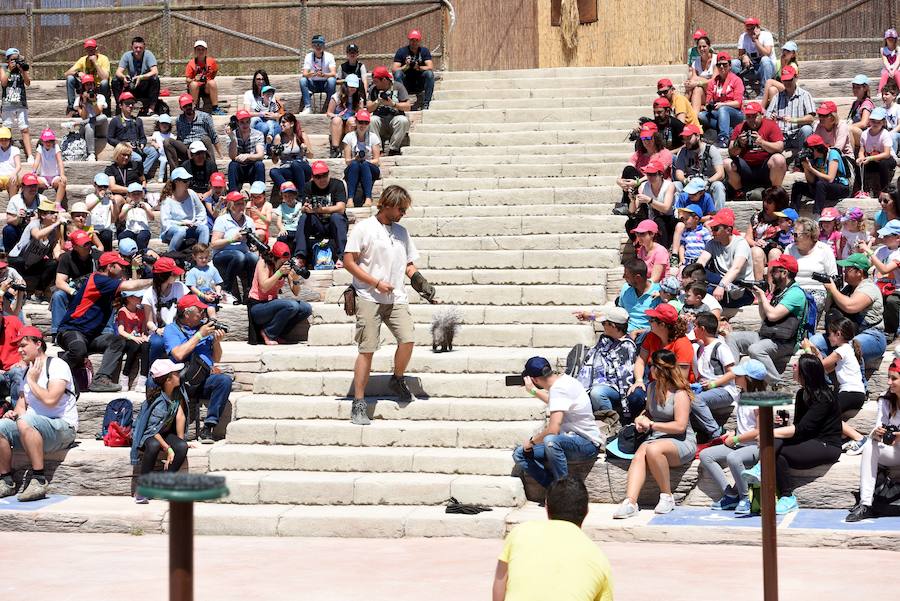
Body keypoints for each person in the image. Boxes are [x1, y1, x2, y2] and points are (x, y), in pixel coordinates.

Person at [343, 185, 435, 424]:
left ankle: (397, 378)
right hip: (367, 296)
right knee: (368, 349)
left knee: (408, 339)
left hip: (396, 297)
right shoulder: (364, 228)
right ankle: (359, 403)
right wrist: (374, 282)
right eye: (401, 209)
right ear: (387, 204)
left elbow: (408, 265)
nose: (403, 213)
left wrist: (420, 283)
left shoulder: (402, 232)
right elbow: (348, 261)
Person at [743, 354, 842, 514]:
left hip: (826, 445)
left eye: (797, 366)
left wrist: (769, 432)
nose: (793, 368)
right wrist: (780, 426)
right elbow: (799, 427)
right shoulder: (801, 394)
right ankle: (752, 501)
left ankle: (778, 497)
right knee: (764, 451)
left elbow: (801, 429)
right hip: (801, 441)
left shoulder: (824, 397)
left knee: (773, 449)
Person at [492, 477, 613, 601]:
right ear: (586, 511)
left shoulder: (520, 533)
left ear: (546, 507)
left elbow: (499, 584)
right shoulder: (599, 558)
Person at [612, 348, 697, 518]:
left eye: (652, 366)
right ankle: (630, 502)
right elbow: (649, 412)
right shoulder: (652, 388)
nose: (649, 369)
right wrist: (640, 418)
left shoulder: (680, 394)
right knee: (640, 453)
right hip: (657, 438)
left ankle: (667, 496)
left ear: (660, 369)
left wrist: (652, 425)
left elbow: (680, 426)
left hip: (681, 441)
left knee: (651, 449)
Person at [0, 326, 77, 502]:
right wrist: (13, 413)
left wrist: (32, 381)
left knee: (26, 421)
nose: (19, 350)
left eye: (24, 345)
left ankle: (39, 479)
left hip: (62, 429)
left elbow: (51, 400)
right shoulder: (27, 372)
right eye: (18, 346)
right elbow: (21, 407)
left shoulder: (57, 365)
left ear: (38, 344)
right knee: (2, 426)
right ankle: (6, 480)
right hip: (33, 429)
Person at [57, 251, 151, 392]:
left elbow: (131, 287)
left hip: (90, 336)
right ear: (110, 267)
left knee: (117, 341)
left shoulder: (108, 283)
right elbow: (131, 286)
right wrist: (156, 280)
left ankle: (101, 379)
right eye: (120, 266)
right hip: (71, 331)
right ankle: (54, 370)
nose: (123, 268)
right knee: (78, 349)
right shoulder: (99, 280)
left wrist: (136, 270)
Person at [512, 356, 603, 487]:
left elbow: (553, 430)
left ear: (534, 379)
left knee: (550, 441)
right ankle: (553, 489)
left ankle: (564, 490)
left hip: (587, 444)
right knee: (519, 453)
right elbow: (557, 402)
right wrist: (533, 391)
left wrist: (531, 442)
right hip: (568, 441)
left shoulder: (558, 389)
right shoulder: (565, 380)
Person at [163, 294, 233, 443]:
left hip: (202, 379)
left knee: (224, 381)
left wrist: (216, 342)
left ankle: (208, 427)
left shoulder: (204, 328)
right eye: (199, 311)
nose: (203, 314)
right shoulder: (171, 330)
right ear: (187, 313)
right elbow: (178, 354)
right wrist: (200, 335)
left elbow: (217, 358)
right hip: (182, 382)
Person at [727, 255, 807, 385]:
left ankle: (777, 383)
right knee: (732, 338)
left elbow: (773, 315)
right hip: (768, 336)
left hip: (784, 343)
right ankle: (732, 377)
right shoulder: (781, 291)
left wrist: (763, 296)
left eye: (774, 270)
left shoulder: (795, 293)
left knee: (755, 349)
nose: (770, 273)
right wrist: (759, 298)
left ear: (784, 273)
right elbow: (765, 317)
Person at [699, 358, 765, 515]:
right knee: (705, 455)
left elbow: (758, 431)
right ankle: (730, 494)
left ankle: (747, 498)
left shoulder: (759, 399)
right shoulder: (742, 395)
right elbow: (743, 424)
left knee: (734, 458)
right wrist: (733, 434)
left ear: (748, 379)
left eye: (740, 375)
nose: (736, 376)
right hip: (739, 443)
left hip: (753, 447)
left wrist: (735, 439)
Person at [846, 357, 900, 522]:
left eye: (894, 378)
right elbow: (877, 429)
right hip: (894, 451)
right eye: (888, 378)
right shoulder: (885, 399)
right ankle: (866, 504)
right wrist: (878, 432)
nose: (889, 382)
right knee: (870, 445)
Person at [804, 316, 868, 453]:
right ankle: (845, 437)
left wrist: (807, 350)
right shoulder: (846, 349)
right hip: (855, 393)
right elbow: (825, 369)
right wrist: (816, 352)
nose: (828, 337)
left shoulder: (842, 350)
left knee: (827, 414)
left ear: (838, 334)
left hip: (851, 393)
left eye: (830, 334)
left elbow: (817, 367)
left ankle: (859, 438)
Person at [815, 253, 887, 370]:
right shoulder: (848, 289)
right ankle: (824, 383)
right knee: (815, 342)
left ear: (859, 272)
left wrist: (833, 289)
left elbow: (850, 306)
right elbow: (829, 310)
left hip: (872, 335)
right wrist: (830, 292)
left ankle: (858, 387)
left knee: (849, 348)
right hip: (849, 333)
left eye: (848, 269)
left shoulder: (869, 288)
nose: (844, 272)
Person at [130, 358, 188, 503]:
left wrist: (180, 440)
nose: (179, 375)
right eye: (175, 373)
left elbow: (180, 416)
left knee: (182, 447)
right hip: (148, 434)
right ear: (168, 380)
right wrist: (168, 449)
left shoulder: (176, 393)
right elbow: (151, 430)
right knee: (154, 445)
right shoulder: (157, 401)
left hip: (164, 432)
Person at [572, 307, 636, 415]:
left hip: (615, 386)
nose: (602, 325)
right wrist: (588, 316)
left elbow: (623, 377)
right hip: (597, 379)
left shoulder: (626, 346)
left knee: (597, 392)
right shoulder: (606, 339)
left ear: (613, 326)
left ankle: (609, 419)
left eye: (604, 323)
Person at [247, 241, 312, 345]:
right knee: (291, 306)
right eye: (282, 262)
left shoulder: (287, 265)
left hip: (272, 304)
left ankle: (279, 334)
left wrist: (295, 279)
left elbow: (296, 292)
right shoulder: (263, 263)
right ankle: (268, 333)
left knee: (306, 308)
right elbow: (264, 287)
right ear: (273, 258)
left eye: (286, 262)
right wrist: (279, 272)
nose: (284, 264)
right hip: (257, 306)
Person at [690, 312, 739, 439]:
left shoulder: (720, 346)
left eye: (695, 326)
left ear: (702, 329)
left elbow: (732, 372)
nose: (693, 329)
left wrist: (713, 384)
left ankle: (717, 434)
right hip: (705, 389)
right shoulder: (699, 347)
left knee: (696, 400)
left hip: (724, 390)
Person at [696, 208, 755, 309]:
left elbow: (736, 269)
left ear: (728, 230)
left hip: (740, 288)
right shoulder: (712, 243)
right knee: (699, 271)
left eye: (716, 229)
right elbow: (700, 262)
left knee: (706, 294)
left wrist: (721, 286)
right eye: (712, 228)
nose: (712, 232)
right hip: (721, 282)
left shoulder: (741, 244)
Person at [296, 160, 349, 270]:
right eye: (318, 177)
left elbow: (341, 208)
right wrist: (306, 208)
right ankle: (301, 256)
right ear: (313, 177)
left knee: (336, 217)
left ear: (328, 173)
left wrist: (319, 210)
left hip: (333, 224)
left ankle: (342, 256)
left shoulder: (337, 184)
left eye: (324, 175)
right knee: (304, 217)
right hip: (317, 225)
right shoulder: (308, 187)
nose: (322, 179)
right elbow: (303, 208)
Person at [612, 121, 673, 216]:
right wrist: (619, 181)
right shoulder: (639, 154)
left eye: (649, 138)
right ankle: (628, 204)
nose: (646, 141)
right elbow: (628, 167)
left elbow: (657, 172)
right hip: (638, 184)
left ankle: (630, 206)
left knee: (644, 182)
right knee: (629, 170)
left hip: (655, 185)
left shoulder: (665, 153)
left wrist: (638, 182)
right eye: (643, 138)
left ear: (656, 138)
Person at [725, 101, 786, 193]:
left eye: (754, 116)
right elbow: (731, 152)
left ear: (761, 115)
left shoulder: (771, 125)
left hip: (765, 168)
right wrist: (739, 143)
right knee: (727, 163)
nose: (751, 119)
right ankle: (739, 193)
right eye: (748, 117)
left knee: (779, 159)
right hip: (746, 167)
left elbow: (780, 147)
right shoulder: (740, 128)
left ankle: (775, 193)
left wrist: (762, 143)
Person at [7, 197, 61, 298]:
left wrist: (60, 256)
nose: (56, 215)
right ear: (43, 215)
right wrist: (56, 224)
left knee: (53, 263)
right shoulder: (35, 223)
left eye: (56, 213)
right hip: (17, 261)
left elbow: (55, 246)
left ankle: (38, 293)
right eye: (52, 213)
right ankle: (18, 293)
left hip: (32, 264)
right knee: (20, 261)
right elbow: (37, 235)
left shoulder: (54, 231)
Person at [50, 230, 99, 339]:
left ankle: (106, 331)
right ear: (75, 247)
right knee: (58, 296)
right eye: (84, 244)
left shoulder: (97, 256)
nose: (88, 246)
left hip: (93, 293)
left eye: (89, 243)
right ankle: (57, 333)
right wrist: (74, 292)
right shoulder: (67, 257)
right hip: (74, 291)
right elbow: (59, 282)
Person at [211, 191, 258, 303]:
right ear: (230, 205)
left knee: (254, 258)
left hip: (243, 253)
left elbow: (252, 243)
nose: (241, 206)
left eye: (242, 203)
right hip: (222, 254)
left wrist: (253, 246)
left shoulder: (249, 221)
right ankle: (226, 290)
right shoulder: (222, 220)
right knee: (239, 256)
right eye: (238, 204)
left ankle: (250, 291)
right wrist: (232, 239)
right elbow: (214, 243)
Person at [785, 217, 838, 313]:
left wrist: (828, 305)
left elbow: (833, 278)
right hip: (794, 290)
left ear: (808, 235)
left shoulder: (824, 250)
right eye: (793, 234)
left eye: (796, 234)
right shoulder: (789, 249)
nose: (793, 237)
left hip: (817, 291)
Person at [790, 134, 851, 215]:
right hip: (823, 190)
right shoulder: (816, 159)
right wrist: (806, 167)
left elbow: (830, 179)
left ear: (817, 148)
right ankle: (792, 214)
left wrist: (811, 169)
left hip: (840, 187)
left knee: (820, 184)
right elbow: (811, 181)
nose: (809, 152)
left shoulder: (833, 154)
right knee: (797, 185)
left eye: (810, 149)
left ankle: (817, 215)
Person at [107, 91, 159, 178]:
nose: (130, 106)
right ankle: (139, 175)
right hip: (123, 149)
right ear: (120, 105)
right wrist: (123, 144)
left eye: (132, 103)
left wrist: (142, 143)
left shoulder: (138, 120)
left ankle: (142, 173)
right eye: (127, 103)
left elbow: (143, 137)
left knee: (153, 152)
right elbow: (109, 138)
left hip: (137, 147)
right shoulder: (115, 120)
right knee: (138, 158)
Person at [673, 124, 726, 209]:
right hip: (690, 185)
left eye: (689, 138)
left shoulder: (711, 149)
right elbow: (679, 173)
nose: (686, 141)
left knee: (718, 186)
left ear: (697, 136)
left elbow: (720, 173)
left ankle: (718, 216)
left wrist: (708, 181)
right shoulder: (683, 152)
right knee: (675, 185)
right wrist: (685, 180)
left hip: (707, 184)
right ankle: (678, 214)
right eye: (684, 138)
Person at [625, 160, 676, 248]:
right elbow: (632, 210)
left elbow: (666, 208)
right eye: (648, 174)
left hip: (668, 219)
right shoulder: (643, 186)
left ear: (661, 174)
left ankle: (663, 250)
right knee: (630, 223)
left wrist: (650, 200)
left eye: (653, 174)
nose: (650, 177)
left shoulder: (669, 186)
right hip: (651, 218)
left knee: (660, 221)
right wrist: (632, 199)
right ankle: (639, 247)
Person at [699, 52, 745, 148]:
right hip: (719, 112)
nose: (722, 67)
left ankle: (723, 138)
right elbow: (708, 101)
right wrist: (708, 106)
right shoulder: (713, 82)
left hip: (736, 113)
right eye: (719, 64)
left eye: (725, 64)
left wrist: (722, 105)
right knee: (701, 115)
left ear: (730, 65)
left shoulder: (736, 80)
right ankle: (728, 130)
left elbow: (738, 103)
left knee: (723, 109)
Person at [765, 65, 815, 153]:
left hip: (798, 134)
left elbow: (810, 118)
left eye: (789, 79)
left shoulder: (805, 95)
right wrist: (771, 118)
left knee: (807, 129)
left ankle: (804, 157)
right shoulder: (777, 97)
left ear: (796, 78)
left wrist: (793, 120)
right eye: (785, 80)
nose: (787, 82)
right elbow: (767, 117)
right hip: (781, 136)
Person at [160, 167, 209, 252]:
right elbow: (165, 222)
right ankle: (171, 255)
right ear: (176, 182)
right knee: (180, 231)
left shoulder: (191, 193)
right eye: (185, 181)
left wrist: (197, 222)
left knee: (204, 229)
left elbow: (201, 211)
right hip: (172, 230)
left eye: (189, 180)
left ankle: (201, 254)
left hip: (190, 227)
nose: (188, 182)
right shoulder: (167, 199)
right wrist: (182, 224)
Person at [164, 93, 218, 171]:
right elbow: (180, 136)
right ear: (181, 108)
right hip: (186, 148)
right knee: (167, 141)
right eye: (185, 106)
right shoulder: (179, 119)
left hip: (201, 146)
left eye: (189, 105)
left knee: (206, 139)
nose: (188, 107)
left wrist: (220, 154)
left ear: (193, 104)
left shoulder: (205, 116)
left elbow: (213, 135)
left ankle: (213, 171)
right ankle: (175, 173)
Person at [269, 112, 313, 204]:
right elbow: (275, 161)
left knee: (295, 164)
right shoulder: (278, 138)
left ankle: (301, 195)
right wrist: (274, 153)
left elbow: (311, 155)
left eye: (284, 122)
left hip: (303, 168)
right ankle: (289, 192)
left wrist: (305, 149)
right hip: (287, 169)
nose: (281, 125)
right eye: (280, 122)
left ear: (292, 124)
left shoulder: (301, 135)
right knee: (273, 171)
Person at [367, 66, 411, 156]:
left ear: (384, 80)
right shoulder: (373, 89)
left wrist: (393, 104)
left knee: (403, 120)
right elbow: (368, 108)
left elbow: (408, 106)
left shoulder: (398, 86)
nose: (374, 84)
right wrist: (377, 102)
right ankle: (378, 150)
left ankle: (393, 149)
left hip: (394, 120)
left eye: (376, 81)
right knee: (371, 120)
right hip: (380, 121)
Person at [112, 36, 160, 116]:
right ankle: (119, 106)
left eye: (140, 48)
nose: (138, 50)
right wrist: (124, 78)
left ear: (144, 47)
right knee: (115, 80)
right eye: (136, 47)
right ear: (132, 47)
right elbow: (118, 72)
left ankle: (151, 109)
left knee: (155, 79)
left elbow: (155, 71)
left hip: (144, 86)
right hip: (132, 85)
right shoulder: (127, 55)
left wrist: (141, 77)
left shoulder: (148, 54)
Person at [343, 109, 381, 208]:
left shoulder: (373, 137)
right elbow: (347, 161)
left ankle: (368, 198)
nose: (363, 125)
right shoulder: (349, 137)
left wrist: (365, 161)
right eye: (360, 122)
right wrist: (355, 159)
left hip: (370, 166)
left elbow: (376, 160)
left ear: (368, 124)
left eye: (366, 122)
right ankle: (350, 199)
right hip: (354, 165)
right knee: (355, 164)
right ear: (356, 122)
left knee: (363, 164)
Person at [64, 39, 110, 117]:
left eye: (92, 48)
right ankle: (71, 109)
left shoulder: (104, 59)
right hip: (86, 85)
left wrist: (96, 63)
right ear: (86, 50)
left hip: (98, 86)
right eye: (88, 49)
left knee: (104, 83)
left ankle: (104, 109)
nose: (90, 50)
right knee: (70, 78)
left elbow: (105, 77)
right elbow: (66, 73)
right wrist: (78, 73)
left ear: (96, 48)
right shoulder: (83, 60)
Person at [0, 48, 31, 164]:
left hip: (21, 103)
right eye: (12, 59)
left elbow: (28, 83)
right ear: (7, 60)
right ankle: (5, 154)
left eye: (16, 59)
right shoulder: (3, 68)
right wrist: (10, 70)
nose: (15, 61)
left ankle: (30, 156)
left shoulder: (21, 68)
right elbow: (3, 82)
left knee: (25, 129)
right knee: (6, 130)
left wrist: (22, 71)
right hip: (8, 104)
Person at [392, 29, 434, 110]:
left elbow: (430, 67)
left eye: (416, 40)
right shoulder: (402, 51)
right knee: (398, 73)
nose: (414, 42)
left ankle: (426, 103)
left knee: (429, 74)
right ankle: (403, 101)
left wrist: (419, 68)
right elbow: (394, 69)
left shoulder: (424, 51)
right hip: (406, 82)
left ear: (419, 41)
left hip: (419, 82)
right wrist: (406, 66)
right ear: (409, 40)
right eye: (412, 40)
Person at [858, 107, 896, 196]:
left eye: (878, 122)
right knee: (859, 164)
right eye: (873, 121)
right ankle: (863, 189)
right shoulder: (864, 134)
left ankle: (884, 190)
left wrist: (870, 158)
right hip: (872, 160)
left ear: (883, 122)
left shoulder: (885, 134)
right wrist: (861, 158)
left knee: (883, 163)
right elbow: (861, 151)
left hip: (887, 159)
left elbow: (887, 154)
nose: (875, 123)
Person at [116, 289, 149, 392]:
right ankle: (125, 376)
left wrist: (144, 336)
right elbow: (121, 331)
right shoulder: (122, 311)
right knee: (135, 345)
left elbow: (143, 330)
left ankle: (143, 379)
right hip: (127, 339)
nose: (140, 298)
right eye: (137, 297)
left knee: (146, 346)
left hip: (138, 339)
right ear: (129, 298)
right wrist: (133, 337)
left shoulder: (141, 311)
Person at [3, 171, 43, 253]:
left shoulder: (43, 199)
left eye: (35, 185)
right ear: (23, 187)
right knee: (8, 230)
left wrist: (37, 218)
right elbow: (9, 221)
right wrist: (18, 218)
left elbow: (51, 218)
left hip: (36, 230)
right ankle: (9, 254)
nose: (33, 188)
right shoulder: (15, 199)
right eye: (29, 186)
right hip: (19, 228)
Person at [731, 17, 775, 91]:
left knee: (765, 60)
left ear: (758, 28)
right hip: (751, 69)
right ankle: (740, 90)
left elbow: (767, 53)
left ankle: (764, 91)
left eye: (752, 28)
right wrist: (744, 56)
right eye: (748, 29)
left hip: (767, 69)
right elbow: (740, 55)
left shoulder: (766, 35)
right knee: (733, 63)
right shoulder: (743, 37)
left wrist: (756, 40)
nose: (750, 31)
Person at [326, 74, 365, 158]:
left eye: (354, 87)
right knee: (336, 120)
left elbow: (360, 113)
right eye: (350, 87)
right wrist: (337, 115)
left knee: (352, 121)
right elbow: (329, 113)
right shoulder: (336, 97)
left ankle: (351, 147)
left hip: (350, 123)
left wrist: (357, 113)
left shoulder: (359, 98)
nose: (353, 89)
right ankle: (335, 149)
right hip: (339, 122)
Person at [227, 109, 265, 192]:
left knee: (260, 164)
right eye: (242, 122)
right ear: (237, 122)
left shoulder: (258, 134)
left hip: (252, 168)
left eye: (247, 122)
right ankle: (233, 194)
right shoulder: (232, 135)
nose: (245, 125)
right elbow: (232, 157)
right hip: (239, 168)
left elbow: (260, 155)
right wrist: (233, 139)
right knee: (232, 165)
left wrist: (248, 156)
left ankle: (260, 193)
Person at [72, 74, 108, 161]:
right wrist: (84, 103)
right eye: (87, 85)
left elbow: (98, 113)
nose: (89, 87)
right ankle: (91, 154)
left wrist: (94, 101)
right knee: (88, 125)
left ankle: (82, 124)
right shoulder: (79, 100)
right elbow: (84, 117)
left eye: (91, 84)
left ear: (94, 85)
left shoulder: (100, 97)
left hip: (100, 127)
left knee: (104, 117)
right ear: (84, 86)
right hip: (88, 128)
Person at [185, 40, 224, 115]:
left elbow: (215, 72)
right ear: (195, 51)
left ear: (206, 51)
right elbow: (187, 80)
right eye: (198, 49)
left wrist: (209, 79)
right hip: (195, 88)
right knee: (194, 84)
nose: (201, 51)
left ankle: (215, 108)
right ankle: (194, 107)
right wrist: (194, 79)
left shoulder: (211, 61)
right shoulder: (191, 63)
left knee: (212, 82)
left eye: (203, 49)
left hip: (206, 87)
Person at [300, 35, 337, 115]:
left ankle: (329, 106)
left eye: (320, 44)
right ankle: (308, 107)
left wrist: (324, 75)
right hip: (313, 83)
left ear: (323, 45)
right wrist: (310, 74)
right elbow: (305, 73)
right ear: (312, 46)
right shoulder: (308, 56)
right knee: (303, 80)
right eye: (316, 44)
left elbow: (333, 73)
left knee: (332, 80)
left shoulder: (329, 56)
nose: (318, 46)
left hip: (325, 83)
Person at [185, 243, 224, 317]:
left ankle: (213, 322)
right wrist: (203, 296)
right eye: (201, 258)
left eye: (206, 257)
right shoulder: (193, 271)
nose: (204, 260)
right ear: (194, 257)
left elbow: (218, 283)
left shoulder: (212, 269)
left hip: (210, 296)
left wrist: (218, 292)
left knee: (211, 308)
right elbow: (192, 287)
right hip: (197, 297)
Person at [760, 40, 800, 108]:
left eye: (788, 51)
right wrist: (782, 63)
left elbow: (786, 81)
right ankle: (775, 111)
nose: (785, 52)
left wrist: (783, 64)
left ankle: (762, 107)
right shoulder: (778, 63)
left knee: (769, 81)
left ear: (793, 54)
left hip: (791, 87)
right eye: (784, 50)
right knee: (772, 89)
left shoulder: (793, 66)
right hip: (782, 87)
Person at [31, 128, 66, 205]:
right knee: (33, 182)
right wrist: (33, 172)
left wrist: (62, 174)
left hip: (55, 177)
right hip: (44, 177)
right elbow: (36, 161)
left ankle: (57, 203)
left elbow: (60, 162)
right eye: (46, 141)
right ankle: (34, 203)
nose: (48, 143)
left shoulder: (56, 148)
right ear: (42, 141)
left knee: (62, 182)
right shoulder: (40, 148)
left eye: (50, 141)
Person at [104, 142, 146, 206]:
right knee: (116, 200)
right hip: (119, 195)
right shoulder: (110, 169)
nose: (126, 157)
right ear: (117, 154)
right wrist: (131, 189)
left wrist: (143, 189)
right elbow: (112, 187)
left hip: (134, 195)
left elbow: (143, 180)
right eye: (124, 155)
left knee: (134, 201)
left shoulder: (136, 165)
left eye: (128, 155)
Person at [118, 182, 156, 251]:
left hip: (143, 230)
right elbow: (120, 218)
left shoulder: (146, 205)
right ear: (129, 195)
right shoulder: (126, 206)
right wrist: (127, 209)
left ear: (141, 194)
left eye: (138, 194)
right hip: (130, 230)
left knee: (141, 238)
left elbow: (152, 218)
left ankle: (142, 254)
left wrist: (145, 209)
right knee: (122, 236)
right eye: (133, 194)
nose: (136, 196)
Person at [685, 32, 715, 115]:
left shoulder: (716, 59)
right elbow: (693, 79)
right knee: (696, 88)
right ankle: (694, 118)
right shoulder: (696, 62)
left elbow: (714, 81)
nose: (702, 49)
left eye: (704, 46)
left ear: (709, 46)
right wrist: (690, 84)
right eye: (699, 47)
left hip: (713, 92)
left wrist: (697, 82)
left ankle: (684, 107)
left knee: (695, 85)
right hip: (702, 92)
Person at [849, 74, 875, 151]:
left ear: (865, 88)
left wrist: (847, 127)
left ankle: (850, 156)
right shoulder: (855, 103)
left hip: (868, 135)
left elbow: (864, 123)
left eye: (858, 87)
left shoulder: (867, 103)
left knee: (849, 129)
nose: (855, 89)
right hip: (860, 133)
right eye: (854, 87)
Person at [151, 114, 173, 182]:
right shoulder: (156, 133)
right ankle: (161, 177)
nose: (164, 125)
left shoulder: (170, 135)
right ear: (159, 124)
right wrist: (155, 144)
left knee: (169, 161)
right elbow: (152, 142)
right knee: (163, 161)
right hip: (160, 154)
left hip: (168, 155)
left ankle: (172, 177)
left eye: (166, 124)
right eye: (162, 124)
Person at [0, 126, 21, 197]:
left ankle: (12, 204)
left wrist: (14, 173)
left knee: (13, 182)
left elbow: (18, 166)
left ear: (10, 140)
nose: (4, 141)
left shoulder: (15, 149)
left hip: (11, 176)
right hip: (0, 177)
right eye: (1, 140)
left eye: (6, 139)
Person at [880, 28, 900, 93]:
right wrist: (889, 70)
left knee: (897, 73)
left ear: (895, 40)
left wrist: (893, 70)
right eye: (889, 39)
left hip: (896, 68)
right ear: (886, 40)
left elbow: (898, 61)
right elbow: (885, 61)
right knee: (885, 74)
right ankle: (880, 92)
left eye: (892, 39)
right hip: (888, 68)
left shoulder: (898, 49)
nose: (890, 40)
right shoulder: (883, 50)